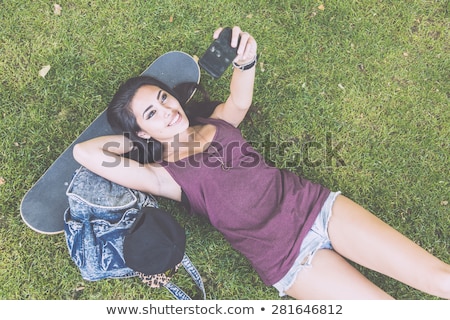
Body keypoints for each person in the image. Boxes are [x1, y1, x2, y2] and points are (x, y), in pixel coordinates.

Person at [73, 26, 450, 299]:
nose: (168, 111)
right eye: (152, 114)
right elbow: (85, 153)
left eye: (164, 99)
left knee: (441, 279)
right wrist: (141, 140)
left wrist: (246, 59)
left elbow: (240, 101)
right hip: (288, 260)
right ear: (142, 132)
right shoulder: (163, 177)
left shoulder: (215, 121)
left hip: (318, 209)